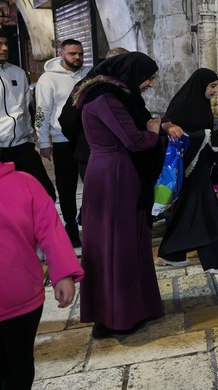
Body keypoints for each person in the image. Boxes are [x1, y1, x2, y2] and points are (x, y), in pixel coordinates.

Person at [73, 51, 184, 338]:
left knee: (126, 241)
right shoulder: (107, 98)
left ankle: (135, 307)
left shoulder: (115, 94)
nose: (149, 83)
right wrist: (154, 133)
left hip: (116, 171)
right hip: (115, 174)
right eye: (147, 78)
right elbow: (134, 140)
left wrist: (157, 125)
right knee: (117, 243)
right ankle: (116, 316)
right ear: (131, 75)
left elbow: (141, 124)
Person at [0, 161, 83, 389]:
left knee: (19, 368)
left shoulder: (24, 183)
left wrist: (64, 273)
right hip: (22, 295)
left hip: (20, 300)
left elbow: (50, 230)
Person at [157, 68, 218, 271]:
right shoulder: (181, 104)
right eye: (212, 86)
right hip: (188, 168)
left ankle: (171, 252)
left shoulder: (201, 103)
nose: (214, 91)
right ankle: (216, 260)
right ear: (201, 86)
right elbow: (174, 136)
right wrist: (207, 136)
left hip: (199, 168)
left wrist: (213, 137)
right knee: (203, 209)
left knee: (189, 210)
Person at [35, 38, 90, 251]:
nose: (77, 57)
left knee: (91, 183)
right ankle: (70, 229)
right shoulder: (48, 79)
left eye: (80, 54)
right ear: (61, 54)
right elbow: (42, 111)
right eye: (72, 54)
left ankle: (85, 220)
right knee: (66, 188)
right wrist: (44, 141)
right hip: (61, 141)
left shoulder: (86, 75)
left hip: (85, 139)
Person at [0, 33, 56, 200]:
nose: (4, 48)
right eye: (0, 44)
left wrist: (32, 138)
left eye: (5, 43)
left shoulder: (18, 72)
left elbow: (26, 108)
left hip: (22, 145)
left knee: (46, 194)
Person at [59, 47, 130, 179]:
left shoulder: (120, 83)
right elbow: (67, 119)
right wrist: (84, 139)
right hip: (93, 155)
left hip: (105, 155)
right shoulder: (90, 85)